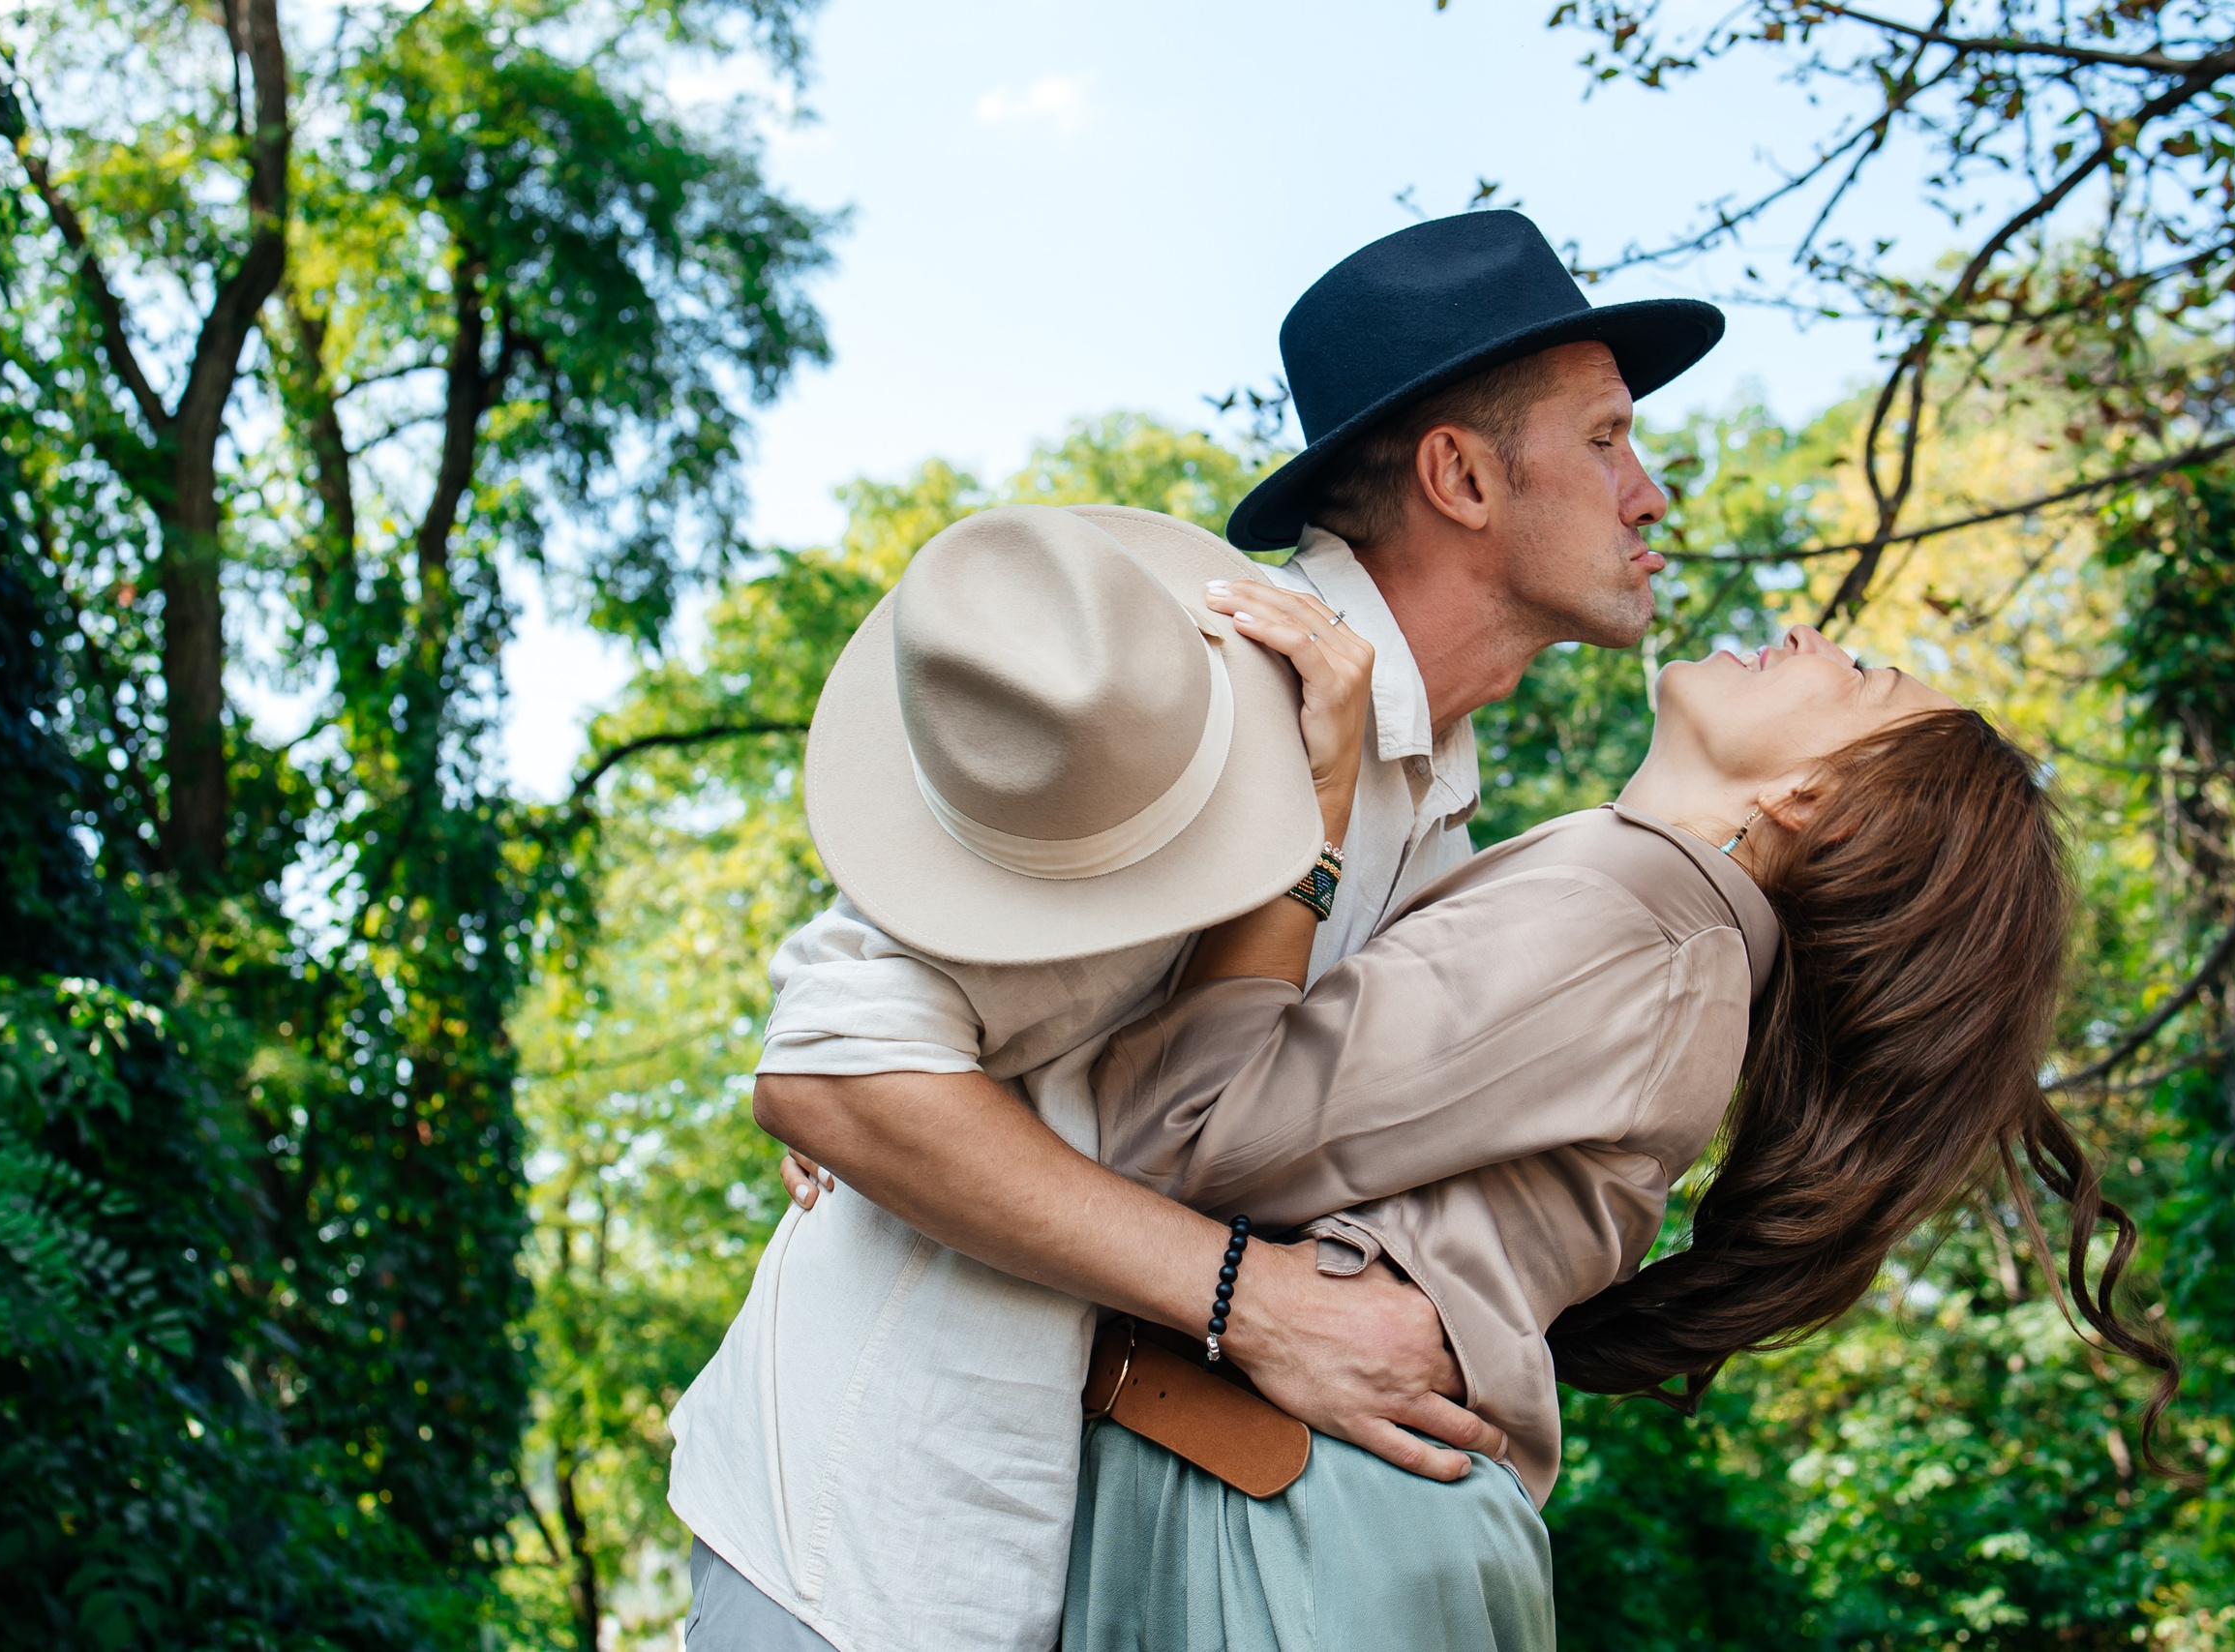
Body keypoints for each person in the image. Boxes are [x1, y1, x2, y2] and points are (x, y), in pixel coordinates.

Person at [668, 207, 1724, 1651]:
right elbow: (833, 1073)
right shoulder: (1220, 682)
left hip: (1098, 1564)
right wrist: (1256, 1300)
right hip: (873, 1551)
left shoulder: (1441, 813)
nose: (1650, 490)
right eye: (1607, 437)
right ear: (1462, 475)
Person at [1064, 620, 2183, 1650]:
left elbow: (1173, 1133)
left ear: (1814, 798)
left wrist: (1314, 816)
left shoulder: (1638, 921)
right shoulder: (1660, 930)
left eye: (1854, 679)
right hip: (1311, 1514)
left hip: (1290, 1525)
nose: (1807, 636)